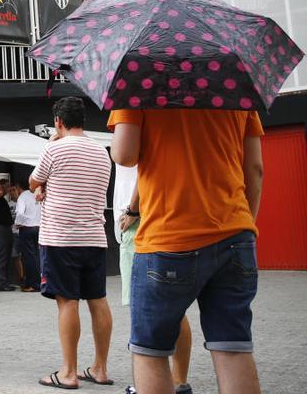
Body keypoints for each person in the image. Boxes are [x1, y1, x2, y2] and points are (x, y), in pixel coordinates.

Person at [109, 104, 264, 394]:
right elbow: (255, 169)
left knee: (151, 352)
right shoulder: (235, 88)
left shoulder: (140, 84)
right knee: (234, 348)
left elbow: (124, 154)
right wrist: (243, 229)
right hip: (234, 233)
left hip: (167, 238)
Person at [29, 97, 113, 389]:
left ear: (59, 122)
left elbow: (33, 181)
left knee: (67, 302)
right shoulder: (102, 152)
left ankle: (68, 372)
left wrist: (43, 185)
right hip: (94, 237)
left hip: (60, 238)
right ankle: (100, 369)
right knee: (98, 300)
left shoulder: (54, 148)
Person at [118, 182, 193, 394]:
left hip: (142, 222)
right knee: (173, 309)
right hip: (155, 219)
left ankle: (150, 385)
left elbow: (137, 165)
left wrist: (133, 208)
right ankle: (179, 382)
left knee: (144, 310)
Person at [11, 179, 41, 293]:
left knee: (28, 257)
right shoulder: (38, 194)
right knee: (37, 256)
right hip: (39, 228)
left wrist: (17, 224)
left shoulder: (23, 196)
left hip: (27, 229)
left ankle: (33, 284)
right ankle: (37, 281)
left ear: (18, 187)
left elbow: (20, 213)